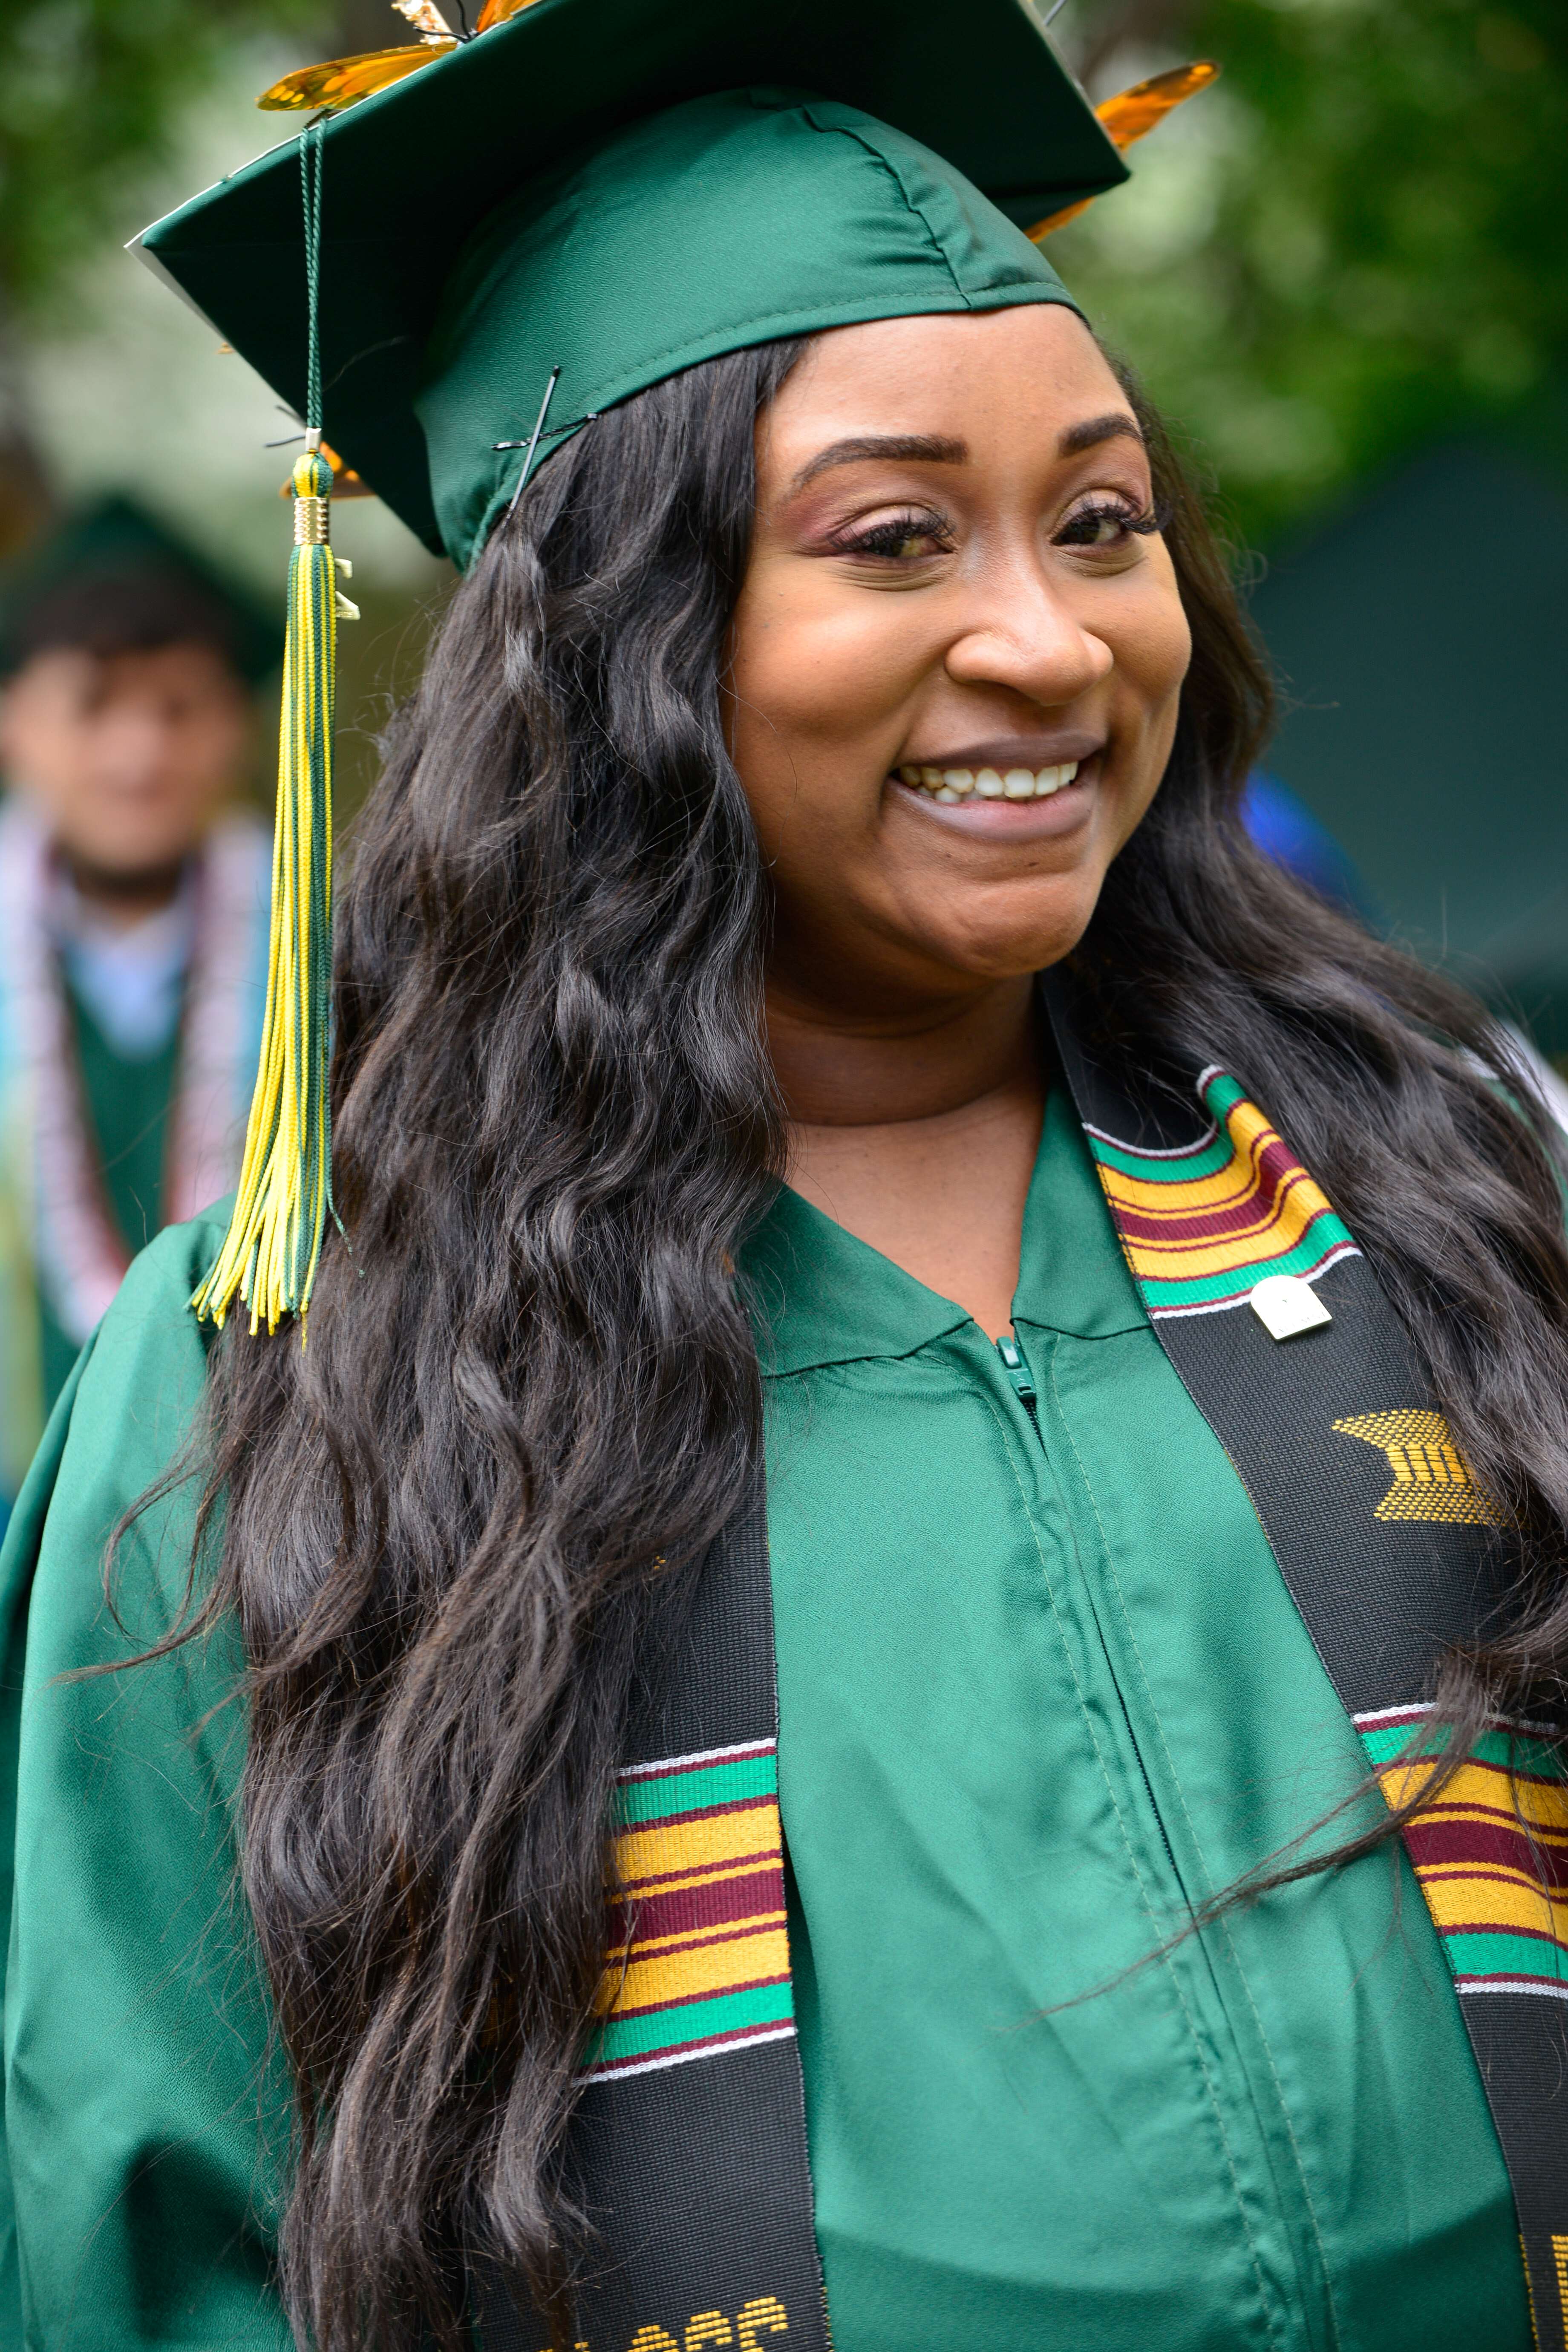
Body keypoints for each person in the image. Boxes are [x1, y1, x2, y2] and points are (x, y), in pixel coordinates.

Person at [2, 6, 1566, 2349]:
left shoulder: (1420, 1191)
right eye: (896, 535)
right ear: (616, 643)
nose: (1047, 639)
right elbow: (155, 2241)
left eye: (1106, 520)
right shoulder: (297, 1380)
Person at [0, 499, 274, 1513]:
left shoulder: (331, 955)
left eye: (178, 707)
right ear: (13, 721)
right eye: (95, 705)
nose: (139, 753)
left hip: (246, 1507)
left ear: (239, 726)